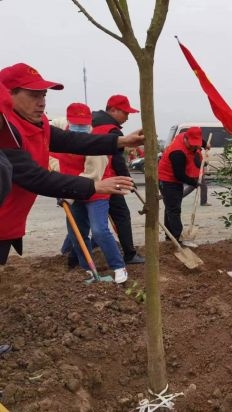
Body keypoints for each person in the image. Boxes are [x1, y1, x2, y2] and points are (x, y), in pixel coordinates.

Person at [0, 63, 144, 265]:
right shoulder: (6, 133)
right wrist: (94, 186)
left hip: (8, 222)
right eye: (33, 95)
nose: (41, 103)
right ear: (7, 95)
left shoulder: (37, 124)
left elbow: (72, 140)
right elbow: (37, 178)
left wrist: (121, 141)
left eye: (43, 95)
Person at [52, 103, 128, 283]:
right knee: (77, 233)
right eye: (75, 124)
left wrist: (66, 194)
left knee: (99, 230)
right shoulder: (61, 129)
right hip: (71, 189)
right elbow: (47, 132)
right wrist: (58, 183)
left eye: (83, 124)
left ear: (90, 122)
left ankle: (118, 266)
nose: (80, 127)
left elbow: (92, 176)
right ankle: (87, 268)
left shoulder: (95, 143)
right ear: (69, 121)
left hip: (96, 189)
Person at [92, 95, 145, 264]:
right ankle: (129, 254)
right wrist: (128, 180)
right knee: (121, 215)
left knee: (86, 216)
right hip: (108, 178)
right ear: (113, 110)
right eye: (125, 113)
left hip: (87, 177)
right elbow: (117, 160)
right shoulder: (112, 130)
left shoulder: (91, 122)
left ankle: (73, 253)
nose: (127, 117)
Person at [158, 126, 203, 242]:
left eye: (196, 144)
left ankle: (170, 236)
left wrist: (205, 145)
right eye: (192, 144)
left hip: (173, 179)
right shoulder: (178, 152)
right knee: (174, 209)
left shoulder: (183, 135)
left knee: (170, 207)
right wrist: (194, 182)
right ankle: (177, 238)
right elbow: (179, 175)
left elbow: (199, 141)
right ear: (186, 139)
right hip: (167, 180)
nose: (194, 147)